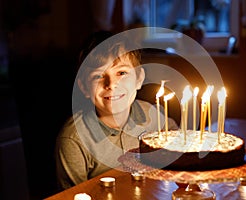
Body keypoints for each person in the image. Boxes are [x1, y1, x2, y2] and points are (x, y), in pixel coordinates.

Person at [55, 31, 178, 190]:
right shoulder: (74, 140)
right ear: (84, 87)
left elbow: (176, 135)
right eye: (98, 76)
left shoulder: (150, 113)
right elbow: (74, 195)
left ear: (139, 79)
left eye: (121, 73)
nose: (112, 84)